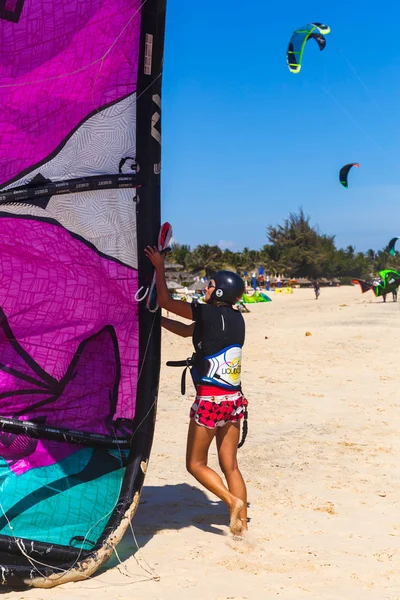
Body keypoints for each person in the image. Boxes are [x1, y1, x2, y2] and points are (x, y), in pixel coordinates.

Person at [144, 245, 248, 537]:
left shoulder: (204, 312)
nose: (206, 287)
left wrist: (159, 266)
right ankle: (242, 524)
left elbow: (164, 299)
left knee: (195, 463)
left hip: (211, 402)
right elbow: (188, 331)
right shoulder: (238, 321)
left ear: (218, 293)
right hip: (234, 401)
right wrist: (153, 320)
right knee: (230, 466)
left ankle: (231, 501)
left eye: (210, 285)